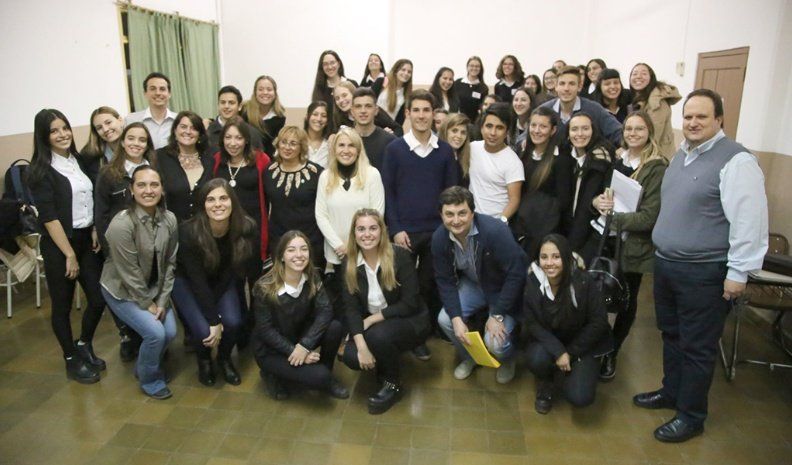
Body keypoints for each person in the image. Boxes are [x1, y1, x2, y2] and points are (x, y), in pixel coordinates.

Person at [635, 89, 768, 443]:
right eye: (688, 116)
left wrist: (737, 274)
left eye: (702, 117)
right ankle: (671, 392)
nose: (693, 123)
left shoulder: (737, 161)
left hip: (704, 272)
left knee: (698, 346)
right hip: (668, 265)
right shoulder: (683, 154)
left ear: (719, 120)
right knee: (672, 335)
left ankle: (691, 416)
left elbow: (749, 222)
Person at [27, 109, 107, 384]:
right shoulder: (39, 171)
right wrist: (69, 254)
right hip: (60, 245)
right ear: (43, 136)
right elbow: (49, 218)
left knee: (98, 298)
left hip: (86, 238)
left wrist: (94, 228)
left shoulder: (78, 160)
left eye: (65, 128)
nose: (62, 134)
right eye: (54, 131)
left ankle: (83, 343)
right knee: (62, 306)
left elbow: (91, 197)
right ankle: (71, 358)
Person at [591, 110, 668, 380]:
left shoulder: (656, 167)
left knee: (625, 302)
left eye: (639, 129)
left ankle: (612, 351)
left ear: (649, 132)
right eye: (629, 129)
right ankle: (596, 345)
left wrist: (613, 218)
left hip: (633, 247)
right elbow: (603, 194)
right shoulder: (619, 158)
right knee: (600, 295)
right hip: (607, 240)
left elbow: (649, 217)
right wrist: (597, 202)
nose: (633, 133)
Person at [382, 90, 459, 350]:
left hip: (436, 231)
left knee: (429, 284)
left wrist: (446, 229)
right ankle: (408, 334)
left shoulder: (445, 151)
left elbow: (451, 193)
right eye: (416, 110)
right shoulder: (394, 149)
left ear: (434, 114)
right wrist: (396, 229)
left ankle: (424, 332)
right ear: (408, 113)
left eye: (426, 110)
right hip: (404, 232)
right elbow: (388, 193)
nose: (421, 115)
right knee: (404, 287)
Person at [340, 209, 431, 413]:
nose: (367, 234)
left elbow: (410, 303)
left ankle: (393, 384)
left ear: (382, 231)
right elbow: (351, 309)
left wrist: (372, 319)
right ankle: (385, 359)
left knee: (378, 336)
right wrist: (361, 346)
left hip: (411, 320)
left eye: (373, 228)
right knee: (351, 356)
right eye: (361, 229)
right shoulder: (349, 263)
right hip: (377, 325)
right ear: (354, 234)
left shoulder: (400, 256)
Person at [100, 166, 178, 399]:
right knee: (155, 333)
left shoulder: (169, 219)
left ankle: (143, 366)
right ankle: (150, 379)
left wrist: (162, 301)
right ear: (132, 190)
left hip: (154, 289)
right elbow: (129, 273)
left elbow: (171, 263)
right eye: (141, 185)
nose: (148, 190)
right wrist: (148, 304)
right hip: (122, 290)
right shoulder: (121, 224)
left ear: (162, 190)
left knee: (170, 332)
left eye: (154, 185)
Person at [434, 186, 526, 383]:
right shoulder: (439, 238)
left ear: (472, 213)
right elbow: (445, 280)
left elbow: (517, 273)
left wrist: (497, 314)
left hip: (502, 289)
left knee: (495, 343)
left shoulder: (495, 231)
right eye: (449, 214)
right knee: (446, 320)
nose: (456, 220)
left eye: (462, 213)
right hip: (475, 284)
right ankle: (471, 357)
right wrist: (456, 318)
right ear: (441, 215)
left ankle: (507, 359)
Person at [172, 178, 256, 386]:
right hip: (187, 282)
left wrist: (218, 313)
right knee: (204, 330)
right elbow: (196, 280)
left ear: (232, 202)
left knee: (233, 322)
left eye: (223, 198)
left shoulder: (245, 227)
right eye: (211, 200)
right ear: (203, 205)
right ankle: (204, 360)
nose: (218, 204)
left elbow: (232, 270)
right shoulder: (188, 232)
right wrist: (213, 320)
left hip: (222, 280)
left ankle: (224, 359)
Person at [252, 231, 349, 400]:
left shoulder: (312, 276)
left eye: (304, 249)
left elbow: (326, 311)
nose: (299, 255)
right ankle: (271, 374)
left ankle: (325, 374)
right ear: (281, 256)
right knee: (319, 376)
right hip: (271, 350)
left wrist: (304, 346)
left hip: (298, 338)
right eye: (291, 250)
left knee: (335, 327)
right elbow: (266, 331)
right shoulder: (264, 287)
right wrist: (295, 351)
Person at [523, 234, 612, 414]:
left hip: (582, 344)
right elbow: (532, 323)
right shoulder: (532, 281)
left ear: (566, 257)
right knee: (536, 358)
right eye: (544, 257)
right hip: (551, 342)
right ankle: (546, 381)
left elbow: (598, 322)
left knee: (580, 397)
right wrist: (558, 351)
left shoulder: (583, 281)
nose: (549, 263)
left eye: (556, 257)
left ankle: (571, 371)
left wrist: (569, 353)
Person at [212, 117, 271, 266]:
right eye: (228, 137)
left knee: (253, 271)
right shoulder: (216, 160)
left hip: (253, 229)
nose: (233, 143)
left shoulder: (261, 159)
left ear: (246, 140)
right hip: (225, 229)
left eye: (238, 138)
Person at [264, 126, 324, 261]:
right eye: (283, 142)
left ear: (301, 147)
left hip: (310, 241)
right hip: (278, 240)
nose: (287, 147)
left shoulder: (316, 173)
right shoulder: (268, 171)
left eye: (293, 143)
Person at [559, 113, 613, 262]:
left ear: (593, 131)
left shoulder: (600, 158)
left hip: (591, 233)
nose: (580, 134)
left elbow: (585, 209)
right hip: (569, 227)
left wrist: (572, 248)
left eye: (585, 128)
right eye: (574, 129)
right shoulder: (567, 154)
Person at [94, 123, 157, 248]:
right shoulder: (108, 173)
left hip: (154, 241)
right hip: (121, 244)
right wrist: (109, 249)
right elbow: (101, 215)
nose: (136, 143)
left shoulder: (156, 170)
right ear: (122, 142)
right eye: (131, 138)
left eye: (142, 140)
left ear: (147, 145)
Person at [514, 107, 565, 257]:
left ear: (553, 130)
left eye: (543, 126)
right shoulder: (522, 152)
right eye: (533, 125)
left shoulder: (561, 159)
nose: (537, 131)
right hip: (521, 226)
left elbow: (563, 201)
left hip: (545, 230)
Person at [540, 66, 623, 148]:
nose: (566, 88)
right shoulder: (543, 111)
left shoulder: (594, 109)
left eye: (572, 84)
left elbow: (618, 132)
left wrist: (624, 148)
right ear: (556, 87)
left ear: (579, 87)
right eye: (562, 84)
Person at [468, 103, 524, 221]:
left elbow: (514, 200)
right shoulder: (472, 148)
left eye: (499, 128)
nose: (493, 133)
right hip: (470, 221)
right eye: (489, 126)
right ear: (481, 128)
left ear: (506, 132)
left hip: (495, 224)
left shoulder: (513, 162)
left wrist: (500, 222)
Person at [156, 110, 213, 222]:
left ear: (200, 134)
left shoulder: (209, 160)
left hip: (203, 227)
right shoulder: (160, 157)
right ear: (175, 130)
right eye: (183, 127)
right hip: (171, 226)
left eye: (193, 128)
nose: (188, 131)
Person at [628, 63, 682, 158]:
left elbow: (654, 136)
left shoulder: (657, 101)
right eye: (635, 74)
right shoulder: (639, 97)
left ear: (651, 78)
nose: (638, 76)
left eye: (644, 73)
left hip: (658, 156)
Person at [126, 72, 176, 149]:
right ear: (145, 93)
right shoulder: (131, 120)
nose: (158, 93)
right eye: (153, 89)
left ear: (169, 94)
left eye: (162, 89)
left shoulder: (179, 121)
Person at [207, 85, 263, 153]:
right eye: (223, 102)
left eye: (231, 103)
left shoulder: (252, 133)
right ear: (218, 105)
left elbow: (259, 158)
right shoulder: (207, 131)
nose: (226, 106)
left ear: (239, 106)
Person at [352, 87, 397, 171]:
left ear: (376, 110)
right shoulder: (344, 141)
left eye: (368, 106)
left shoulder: (390, 142)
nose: (363, 111)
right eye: (358, 106)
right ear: (352, 111)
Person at [334, 81, 402, 136]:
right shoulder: (338, 119)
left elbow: (398, 129)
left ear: (354, 94)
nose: (341, 100)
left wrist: (388, 136)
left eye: (344, 95)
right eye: (337, 98)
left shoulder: (371, 110)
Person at [242, 75, 286, 155]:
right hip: (243, 156)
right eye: (260, 89)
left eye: (269, 89)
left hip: (266, 158)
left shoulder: (280, 118)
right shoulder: (244, 111)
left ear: (275, 93)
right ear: (255, 92)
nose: (265, 92)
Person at [438, 113, 471, 187]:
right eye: (454, 131)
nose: (459, 136)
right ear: (445, 131)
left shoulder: (465, 158)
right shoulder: (435, 155)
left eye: (463, 132)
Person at [377, 59, 413, 126]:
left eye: (409, 72)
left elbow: (399, 122)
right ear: (396, 71)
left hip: (388, 128)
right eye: (403, 70)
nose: (406, 73)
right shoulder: (381, 82)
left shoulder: (407, 95)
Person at [454, 56, 489, 121]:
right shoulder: (457, 83)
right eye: (471, 65)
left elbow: (482, 108)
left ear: (480, 68)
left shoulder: (483, 88)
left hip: (474, 122)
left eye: (477, 66)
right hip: (458, 120)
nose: (474, 68)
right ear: (467, 67)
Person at [304, 101, 331, 167]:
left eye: (323, 116)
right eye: (315, 114)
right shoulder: (298, 141)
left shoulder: (329, 144)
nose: (319, 119)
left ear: (327, 121)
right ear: (307, 117)